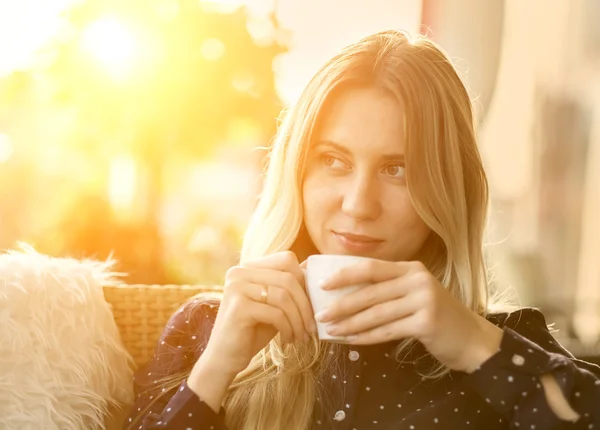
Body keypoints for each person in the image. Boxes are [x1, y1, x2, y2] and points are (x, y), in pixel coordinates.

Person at [124, 30, 600, 430]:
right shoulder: (208, 328)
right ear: (297, 173)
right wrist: (214, 372)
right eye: (334, 161)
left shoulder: (503, 344)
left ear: (449, 190)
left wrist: (478, 347)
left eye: (398, 169)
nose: (358, 205)